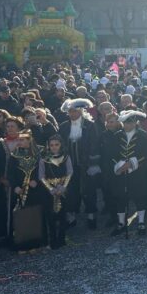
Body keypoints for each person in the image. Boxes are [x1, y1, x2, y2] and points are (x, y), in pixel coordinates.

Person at [58, 98, 100, 230]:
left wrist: (93, 164)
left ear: (81, 111)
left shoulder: (89, 125)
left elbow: (95, 145)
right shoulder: (64, 126)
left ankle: (91, 216)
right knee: (71, 191)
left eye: (75, 111)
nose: (72, 113)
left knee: (89, 190)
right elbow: (60, 145)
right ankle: (71, 216)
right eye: (70, 111)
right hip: (69, 165)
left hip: (86, 164)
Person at [108, 110, 147, 236]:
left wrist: (132, 164)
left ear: (135, 122)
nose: (127, 125)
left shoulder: (143, 135)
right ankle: (121, 223)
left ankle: (141, 222)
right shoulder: (117, 136)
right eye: (125, 123)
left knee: (139, 197)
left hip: (138, 172)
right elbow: (111, 154)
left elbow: (146, 154)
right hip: (121, 172)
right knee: (120, 198)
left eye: (130, 123)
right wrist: (120, 166)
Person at [8, 132, 44, 251]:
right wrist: (15, 187)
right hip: (20, 189)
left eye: (22, 140)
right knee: (21, 215)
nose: (20, 142)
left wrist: (37, 181)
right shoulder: (14, 156)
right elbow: (11, 173)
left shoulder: (38, 155)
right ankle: (23, 244)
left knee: (35, 214)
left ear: (29, 141)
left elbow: (42, 170)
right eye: (18, 140)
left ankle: (36, 242)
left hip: (35, 190)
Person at [38, 135, 73, 249]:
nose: (54, 147)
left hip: (63, 189)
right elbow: (41, 176)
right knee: (50, 216)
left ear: (61, 145)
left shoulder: (66, 157)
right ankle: (52, 239)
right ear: (48, 146)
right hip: (49, 190)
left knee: (63, 214)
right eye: (51, 145)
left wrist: (63, 187)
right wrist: (51, 189)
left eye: (56, 145)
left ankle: (62, 239)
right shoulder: (43, 158)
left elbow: (69, 172)